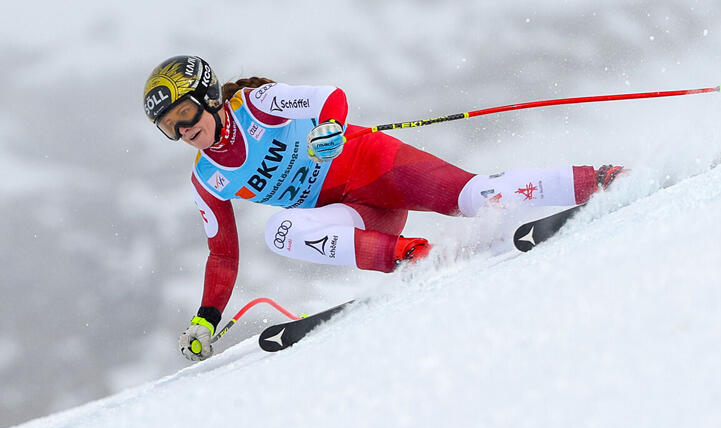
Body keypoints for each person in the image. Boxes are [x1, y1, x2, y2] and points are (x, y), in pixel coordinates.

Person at [143, 55, 624, 361]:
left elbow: (329, 97)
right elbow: (223, 253)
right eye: (169, 126)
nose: (183, 130)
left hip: (377, 166)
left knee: (474, 197)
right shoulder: (207, 179)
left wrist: (330, 127)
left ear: (209, 97)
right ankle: (412, 255)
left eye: (185, 113)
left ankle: (600, 180)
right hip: (355, 213)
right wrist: (205, 319)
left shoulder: (257, 103)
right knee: (279, 232)